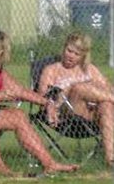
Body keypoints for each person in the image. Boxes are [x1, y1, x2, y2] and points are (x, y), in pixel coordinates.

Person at [0, 29, 79, 175]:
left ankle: (49, 163)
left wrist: (47, 103)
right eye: (6, 50)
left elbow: (19, 91)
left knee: (18, 115)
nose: (8, 54)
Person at [38, 32, 114, 166]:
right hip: (67, 113)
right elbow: (43, 95)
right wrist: (55, 102)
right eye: (69, 51)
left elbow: (107, 87)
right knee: (78, 88)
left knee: (107, 105)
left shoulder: (90, 69)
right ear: (64, 48)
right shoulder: (51, 70)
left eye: (76, 54)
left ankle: (111, 159)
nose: (71, 56)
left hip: (92, 113)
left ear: (83, 56)